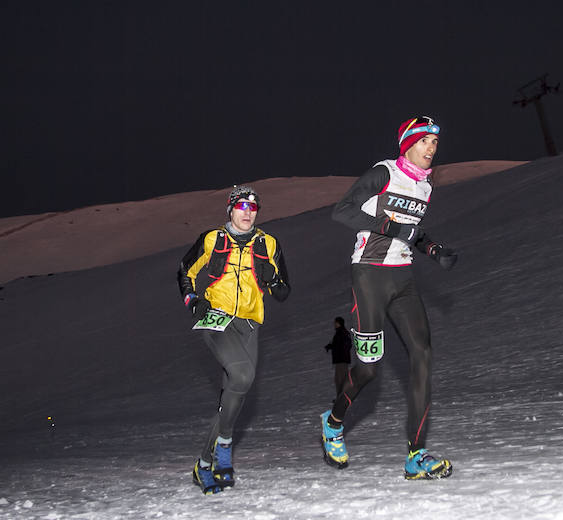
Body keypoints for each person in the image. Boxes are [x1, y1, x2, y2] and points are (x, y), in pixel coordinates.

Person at [320, 116, 458, 480]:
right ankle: (333, 422)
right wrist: (392, 228)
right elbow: (342, 211)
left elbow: (413, 230)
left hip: (403, 276)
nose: (431, 148)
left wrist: (433, 249)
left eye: (435, 142)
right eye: (424, 140)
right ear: (408, 143)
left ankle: (416, 454)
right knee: (368, 368)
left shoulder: (425, 186)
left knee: (423, 355)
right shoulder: (383, 173)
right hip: (369, 274)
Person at [178, 185, 291, 494]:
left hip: (250, 324)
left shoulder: (269, 244)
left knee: (236, 392)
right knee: (242, 375)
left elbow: (283, 291)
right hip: (217, 319)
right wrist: (193, 300)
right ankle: (225, 446)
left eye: (253, 208)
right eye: (241, 206)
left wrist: (272, 278)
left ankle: (204, 464)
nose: (247, 212)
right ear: (230, 210)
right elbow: (185, 271)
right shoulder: (212, 239)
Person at [324, 316, 352, 399]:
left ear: (339, 323)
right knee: (338, 379)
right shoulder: (339, 333)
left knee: (341, 379)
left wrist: (334, 347)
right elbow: (337, 344)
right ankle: (340, 397)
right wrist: (330, 346)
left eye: (336, 322)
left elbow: (345, 345)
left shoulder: (342, 332)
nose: (334, 324)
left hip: (342, 359)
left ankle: (344, 397)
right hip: (340, 359)